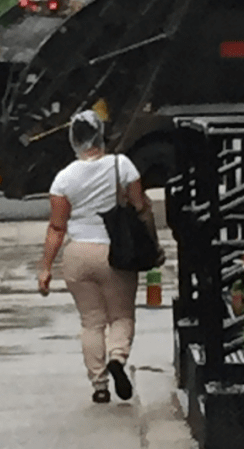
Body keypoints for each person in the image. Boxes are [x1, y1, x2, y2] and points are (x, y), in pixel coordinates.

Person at [37, 110, 165, 405]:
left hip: (78, 254)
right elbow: (140, 207)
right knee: (121, 315)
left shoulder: (63, 179)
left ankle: (99, 385)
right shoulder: (123, 166)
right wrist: (153, 244)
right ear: (101, 135)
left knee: (91, 322)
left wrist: (45, 267)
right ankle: (117, 357)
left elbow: (57, 227)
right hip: (117, 250)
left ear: (73, 140)